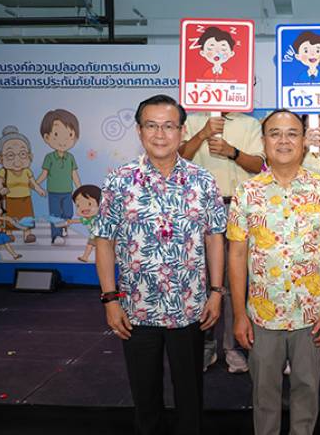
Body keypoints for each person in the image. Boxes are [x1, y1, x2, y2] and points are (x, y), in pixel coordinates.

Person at [94, 94, 226, 435]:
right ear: (139, 131)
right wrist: (110, 299)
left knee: (190, 395)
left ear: (182, 131)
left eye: (169, 126)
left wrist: (216, 292)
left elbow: (214, 237)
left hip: (190, 308)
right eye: (151, 126)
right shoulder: (119, 181)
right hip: (137, 309)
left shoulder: (202, 180)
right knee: (145, 396)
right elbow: (104, 241)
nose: (160, 134)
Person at [227, 109, 320, 435]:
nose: (283, 140)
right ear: (263, 141)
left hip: (311, 315)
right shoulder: (246, 192)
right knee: (263, 394)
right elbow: (236, 255)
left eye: (292, 133)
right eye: (275, 133)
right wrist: (239, 314)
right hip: (262, 316)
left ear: (304, 140)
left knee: (307, 390)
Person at [179, 111, 263, 374]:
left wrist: (232, 152)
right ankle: (205, 344)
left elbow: (258, 165)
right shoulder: (192, 120)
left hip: (238, 207)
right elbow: (178, 158)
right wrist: (202, 134)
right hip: (198, 209)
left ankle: (232, 346)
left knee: (235, 281)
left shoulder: (249, 123)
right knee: (202, 278)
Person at [36, 109, 81, 245]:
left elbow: (74, 174)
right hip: (54, 192)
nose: (63, 140)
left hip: (67, 192)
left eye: (69, 134)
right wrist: (35, 184)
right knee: (55, 215)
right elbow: (44, 174)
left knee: (68, 213)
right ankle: (56, 236)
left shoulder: (70, 157)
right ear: (47, 137)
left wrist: (79, 189)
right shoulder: (49, 158)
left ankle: (64, 226)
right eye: (56, 134)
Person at [0, 126, 46, 244]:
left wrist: (39, 189)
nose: (17, 161)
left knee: (26, 217)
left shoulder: (27, 171)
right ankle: (9, 233)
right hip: (10, 199)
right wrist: (1, 189)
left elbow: (32, 183)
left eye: (22, 154)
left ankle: (27, 234)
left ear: (29, 156)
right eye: (10, 155)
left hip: (25, 199)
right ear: (0, 159)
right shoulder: (4, 171)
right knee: (10, 217)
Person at [0, 187, 22, 261]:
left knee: (1, 245)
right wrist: (7, 219)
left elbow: (1, 220)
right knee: (3, 244)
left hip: (0, 232)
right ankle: (14, 255)